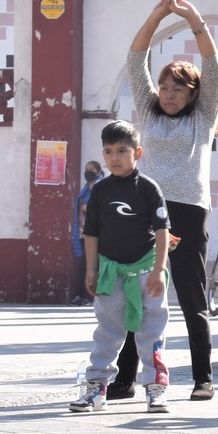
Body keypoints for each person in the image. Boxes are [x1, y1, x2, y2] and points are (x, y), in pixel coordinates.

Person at [111, 0, 218, 401]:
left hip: (189, 212)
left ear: (193, 94)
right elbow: (135, 58)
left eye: (177, 89)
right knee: (135, 295)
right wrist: (156, 16)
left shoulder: (202, 115)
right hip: (147, 214)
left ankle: (202, 378)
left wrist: (195, 19)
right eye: (164, 87)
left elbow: (212, 67)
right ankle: (124, 378)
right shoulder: (148, 109)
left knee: (192, 296)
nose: (168, 94)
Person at [71, 121, 172, 413]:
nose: (114, 157)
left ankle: (156, 389)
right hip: (110, 274)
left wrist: (158, 270)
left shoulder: (149, 189)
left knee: (151, 332)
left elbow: (163, 230)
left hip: (146, 273)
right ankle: (96, 390)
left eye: (122, 150)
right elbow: (92, 234)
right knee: (107, 332)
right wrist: (91, 270)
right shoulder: (100, 191)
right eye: (108, 151)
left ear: (137, 152)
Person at [71, 160, 103, 305]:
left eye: (91, 169)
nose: (87, 172)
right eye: (86, 169)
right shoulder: (85, 188)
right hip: (84, 231)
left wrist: (87, 208)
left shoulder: (102, 187)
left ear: (98, 171)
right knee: (83, 264)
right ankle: (85, 295)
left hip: (98, 233)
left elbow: (101, 207)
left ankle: (86, 296)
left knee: (88, 264)